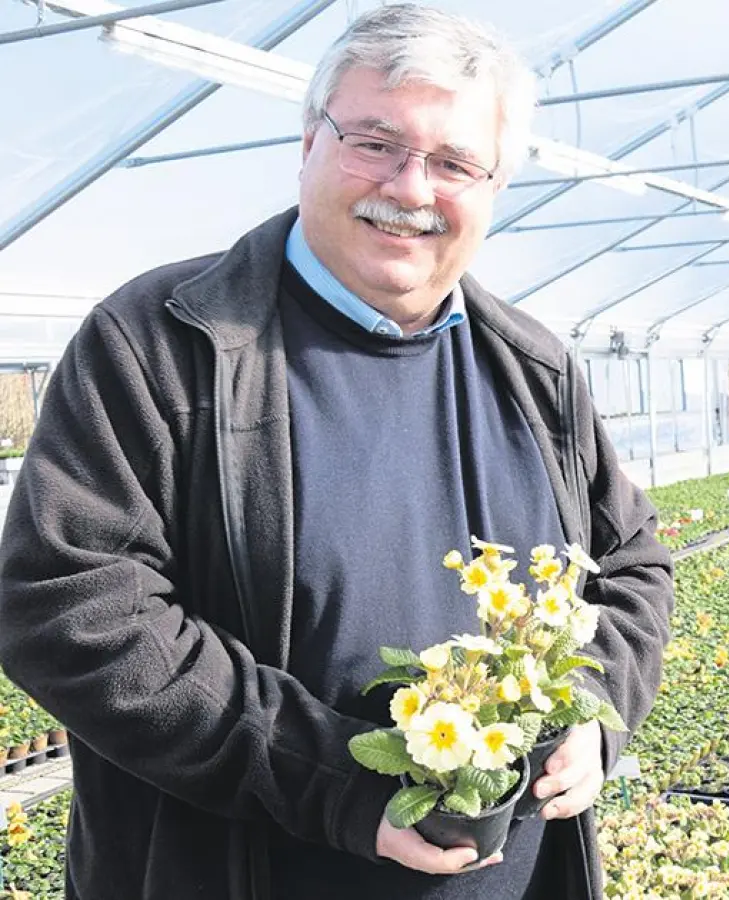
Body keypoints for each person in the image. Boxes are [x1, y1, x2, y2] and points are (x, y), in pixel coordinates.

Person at [0, 5, 674, 899]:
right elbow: (70, 604)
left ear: (495, 185)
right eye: (374, 141)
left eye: (456, 163)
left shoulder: (535, 369)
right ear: (310, 140)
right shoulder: (165, 343)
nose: (410, 187)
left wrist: (595, 709)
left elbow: (630, 564)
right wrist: (338, 785)